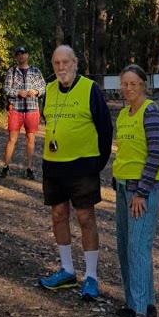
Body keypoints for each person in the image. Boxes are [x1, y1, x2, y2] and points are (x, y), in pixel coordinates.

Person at [39, 44, 112, 300]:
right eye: (57, 63)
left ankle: (91, 276)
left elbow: (105, 129)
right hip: (54, 165)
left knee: (85, 218)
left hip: (83, 167)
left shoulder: (90, 89)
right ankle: (67, 270)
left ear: (76, 63)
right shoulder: (47, 91)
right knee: (58, 215)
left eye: (66, 62)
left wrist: (97, 164)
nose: (61, 68)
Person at [112, 64, 159, 317]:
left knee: (138, 247)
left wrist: (142, 191)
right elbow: (123, 151)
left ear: (143, 85)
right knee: (124, 246)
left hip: (143, 190)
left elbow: (155, 154)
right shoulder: (123, 114)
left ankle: (141, 313)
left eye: (133, 83)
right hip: (122, 188)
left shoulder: (151, 111)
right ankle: (138, 301)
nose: (128, 88)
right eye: (124, 84)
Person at [1, 45, 46, 180]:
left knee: (31, 140)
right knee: (12, 139)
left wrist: (36, 92)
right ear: (16, 57)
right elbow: (6, 89)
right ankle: (5, 166)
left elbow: (43, 87)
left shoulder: (36, 71)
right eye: (19, 54)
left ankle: (29, 168)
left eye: (23, 53)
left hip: (32, 109)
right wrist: (18, 93)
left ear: (28, 55)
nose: (21, 56)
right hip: (16, 109)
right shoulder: (12, 72)